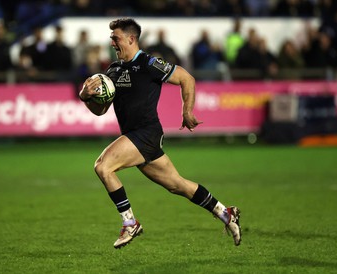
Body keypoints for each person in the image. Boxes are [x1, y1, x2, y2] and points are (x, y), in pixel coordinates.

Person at [78, 18, 242, 249]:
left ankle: (130, 223)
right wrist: (86, 97)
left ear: (131, 39)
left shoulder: (148, 63)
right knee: (177, 185)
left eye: (116, 38)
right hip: (136, 136)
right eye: (111, 38)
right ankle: (225, 212)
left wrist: (187, 111)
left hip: (146, 133)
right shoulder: (113, 70)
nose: (112, 42)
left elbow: (187, 78)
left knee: (103, 166)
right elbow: (100, 110)